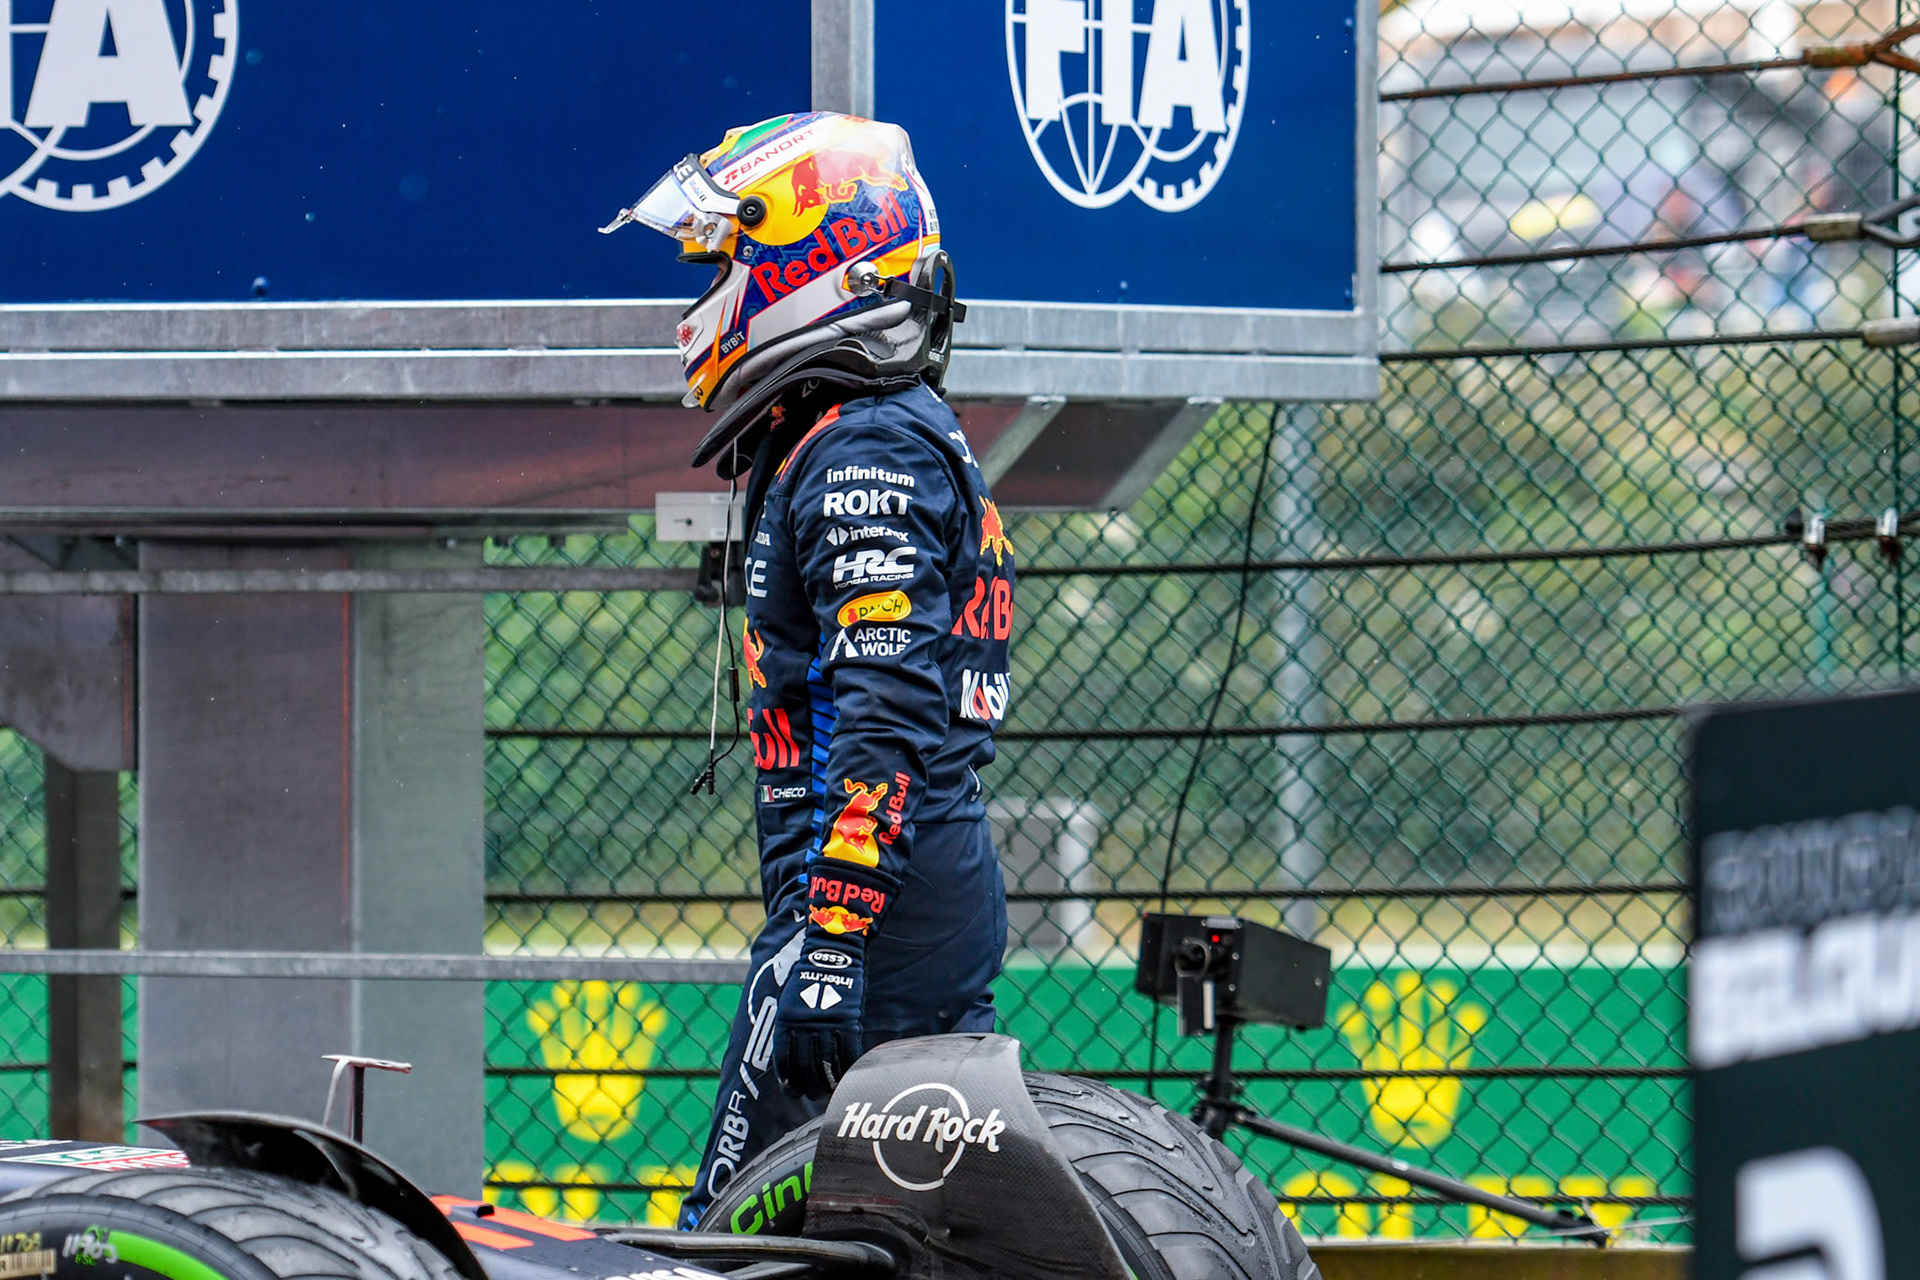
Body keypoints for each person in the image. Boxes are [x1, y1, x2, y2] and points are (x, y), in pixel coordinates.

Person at [602, 112, 1015, 1228]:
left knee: (737, 1225)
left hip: (871, 894)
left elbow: (888, 700)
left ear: (812, 265)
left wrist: (832, 927)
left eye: (732, 259)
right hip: (914, 877)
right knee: (900, 1223)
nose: (712, 292)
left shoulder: (862, 445)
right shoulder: (868, 428)